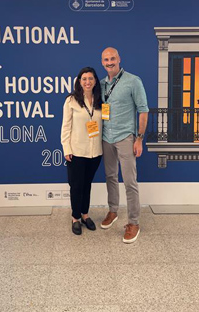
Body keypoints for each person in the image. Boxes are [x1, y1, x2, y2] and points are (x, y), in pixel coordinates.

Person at [100, 47, 149, 244]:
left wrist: (139, 138)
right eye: (105, 59)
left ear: (119, 59)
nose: (109, 62)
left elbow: (143, 110)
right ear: (102, 62)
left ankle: (134, 222)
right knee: (110, 176)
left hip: (125, 138)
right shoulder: (102, 84)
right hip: (106, 138)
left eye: (112, 58)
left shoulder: (133, 81)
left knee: (130, 182)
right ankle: (113, 211)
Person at [61, 67, 103, 235]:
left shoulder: (101, 100)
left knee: (87, 185)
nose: (87, 82)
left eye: (90, 78)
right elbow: (66, 127)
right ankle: (75, 218)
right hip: (77, 151)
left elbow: (105, 123)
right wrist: (66, 148)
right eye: (84, 79)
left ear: (95, 81)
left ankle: (85, 215)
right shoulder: (71, 101)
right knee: (76, 185)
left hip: (95, 151)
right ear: (79, 81)